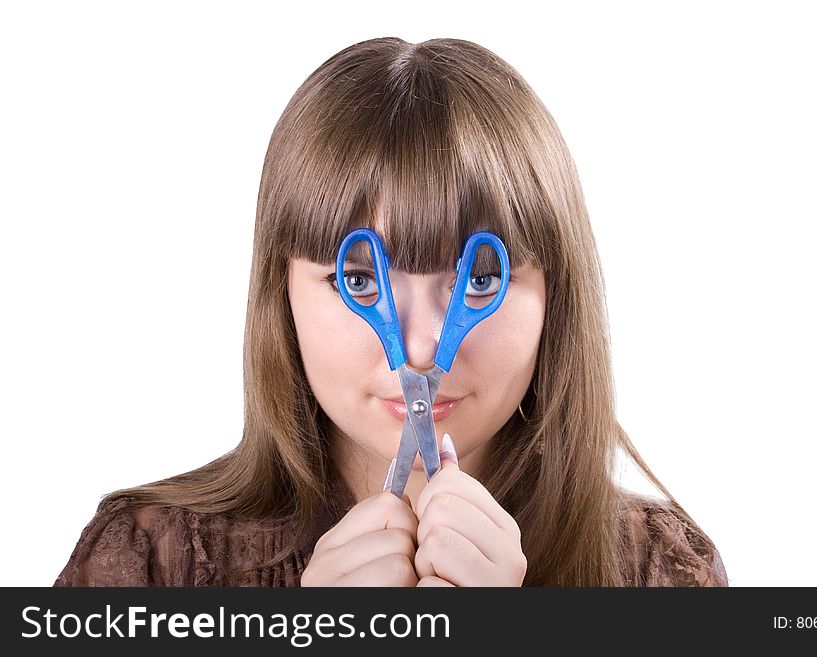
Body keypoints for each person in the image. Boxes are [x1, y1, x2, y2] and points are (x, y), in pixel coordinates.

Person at [54, 37, 728, 587]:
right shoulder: (143, 567)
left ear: (556, 293)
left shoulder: (663, 574)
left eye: (480, 275)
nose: (423, 346)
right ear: (280, 295)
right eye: (359, 278)